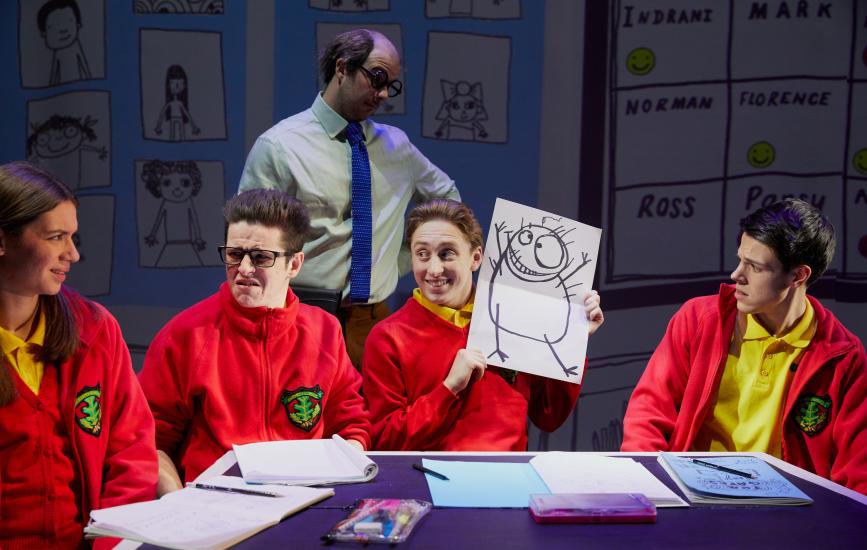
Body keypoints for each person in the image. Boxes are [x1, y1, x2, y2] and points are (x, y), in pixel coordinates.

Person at [238, 28, 460, 368]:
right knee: (298, 419)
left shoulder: (396, 147)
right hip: (299, 317)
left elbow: (446, 196)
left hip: (373, 322)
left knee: (371, 420)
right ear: (342, 68)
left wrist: (401, 260)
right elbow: (248, 242)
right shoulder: (280, 146)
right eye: (377, 78)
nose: (384, 93)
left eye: (391, 86)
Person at [621, 198, 867, 494]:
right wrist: (650, 491)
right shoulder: (698, 320)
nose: (737, 275)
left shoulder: (843, 357)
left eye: (755, 267)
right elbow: (647, 416)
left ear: (798, 276)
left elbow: (858, 475)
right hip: (695, 501)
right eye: (740, 260)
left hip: (789, 520)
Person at [138, 189, 370, 496]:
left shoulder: (325, 331)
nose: (244, 269)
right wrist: (179, 505)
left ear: (294, 264)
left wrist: (338, 483)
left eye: (261, 257)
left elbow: (352, 425)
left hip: (305, 502)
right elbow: (150, 442)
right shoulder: (184, 335)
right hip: (213, 507)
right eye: (235, 254)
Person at [362, 199, 604, 451]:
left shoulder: (516, 319)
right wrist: (449, 388)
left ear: (476, 258)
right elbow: (385, 441)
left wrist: (572, 340)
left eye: (447, 253)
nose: (433, 269)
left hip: (509, 481)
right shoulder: (388, 337)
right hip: (428, 480)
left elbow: (549, 415)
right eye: (422, 254)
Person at [0, 161, 157, 548]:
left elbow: (131, 454)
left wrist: (110, 545)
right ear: (3, 240)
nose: (72, 254)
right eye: (55, 237)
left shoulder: (95, 329)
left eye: (73, 237)